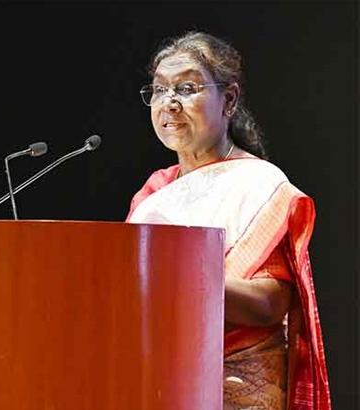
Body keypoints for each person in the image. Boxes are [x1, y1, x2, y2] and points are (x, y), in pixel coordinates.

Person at [126, 31, 331, 410]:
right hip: (156, 384)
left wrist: (174, 281)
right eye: (158, 90)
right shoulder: (153, 194)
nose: (169, 103)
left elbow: (269, 304)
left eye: (187, 88)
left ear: (230, 100)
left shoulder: (259, 185)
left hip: (238, 390)